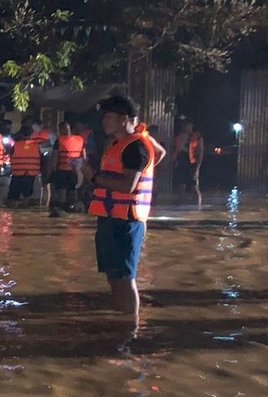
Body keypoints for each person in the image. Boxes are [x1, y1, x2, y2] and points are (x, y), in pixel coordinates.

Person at [81, 95, 166, 326]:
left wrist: (93, 177)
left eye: (109, 117)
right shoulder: (118, 144)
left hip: (127, 221)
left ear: (124, 119)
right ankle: (122, 322)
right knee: (113, 275)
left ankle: (130, 328)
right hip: (110, 217)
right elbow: (159, 153)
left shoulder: (136, 146)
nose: (104, 122)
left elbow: (127, 186)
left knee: (125, 278)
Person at [49, 120, 85, 217]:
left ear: (61, 129)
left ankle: (63, 208)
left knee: (63, 191)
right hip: (75, 170)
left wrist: (53, 169)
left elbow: (55, 157)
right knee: (73, 190)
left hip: (62, 169)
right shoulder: (80, 139)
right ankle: (71, 207)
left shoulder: (59, 140)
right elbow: (84, 156)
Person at [171, 119, 204, 207]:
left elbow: (200, 153)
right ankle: (181, 205)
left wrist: (197, 168)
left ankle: (198, 207)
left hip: (191, 163)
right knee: (180, 185)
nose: (185, 126)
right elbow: (175, 151)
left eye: (187, 124)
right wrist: (171, 163)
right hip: (181, 162)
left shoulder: (197, 137)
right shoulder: (179, 137)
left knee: (194, 186)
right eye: (184, 125)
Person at [7, 125, 41, 207]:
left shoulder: (16, 145)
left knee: (13, 198)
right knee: (27, 196)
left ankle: (14, 214)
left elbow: (10, 155)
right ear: (32, 134)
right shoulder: (36, 145)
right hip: (30, 174)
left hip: (17, 173)